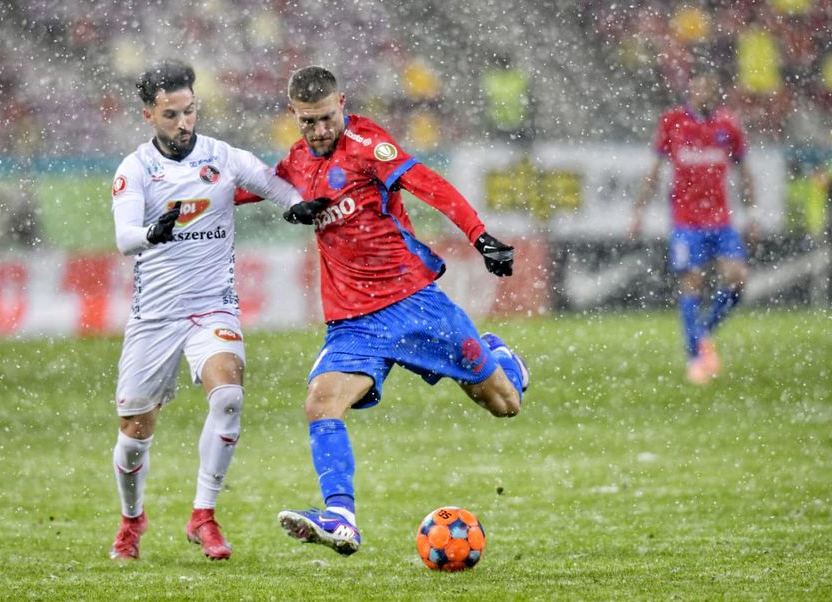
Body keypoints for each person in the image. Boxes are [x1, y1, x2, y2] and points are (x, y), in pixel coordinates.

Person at [235, 65, 530, 556]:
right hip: (353, 323)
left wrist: (479, 236)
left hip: (413, 303)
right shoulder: (296, 164)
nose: (319, 130)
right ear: (293, 115)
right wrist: (185, 200)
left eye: (327, 118)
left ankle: (503, 360)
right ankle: (341, 518)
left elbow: (427, 184)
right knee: (321, 404)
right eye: (308, 122)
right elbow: (246, 188)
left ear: (342, 103)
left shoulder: (367, 144)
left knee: (503, 404)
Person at [108, 60, 306, 561]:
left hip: (211, 306)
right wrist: (152, 233)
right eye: (171, 114)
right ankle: (132, 520)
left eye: (190, 111)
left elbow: (273, 185)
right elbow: (124, 236)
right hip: (155, 315)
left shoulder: (222, 156)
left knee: (229, 395)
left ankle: (204, 515)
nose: (184, 123)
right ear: (149, 115)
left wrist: (297, 205)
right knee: (134, 435)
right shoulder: (136, 169)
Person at [631, 71, 757, 384]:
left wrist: (752, 212)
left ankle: (702, 333)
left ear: (716, 92)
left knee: (738, 278)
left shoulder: (728, 125)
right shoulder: (673, 122)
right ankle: (695, 358)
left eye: (709, 87)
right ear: (690, 91)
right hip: (686, 220)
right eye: (698, 87)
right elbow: (654, 171)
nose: (703, 92)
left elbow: (744, 172)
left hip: (720, 220)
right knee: (692, 282)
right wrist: (639, 211)